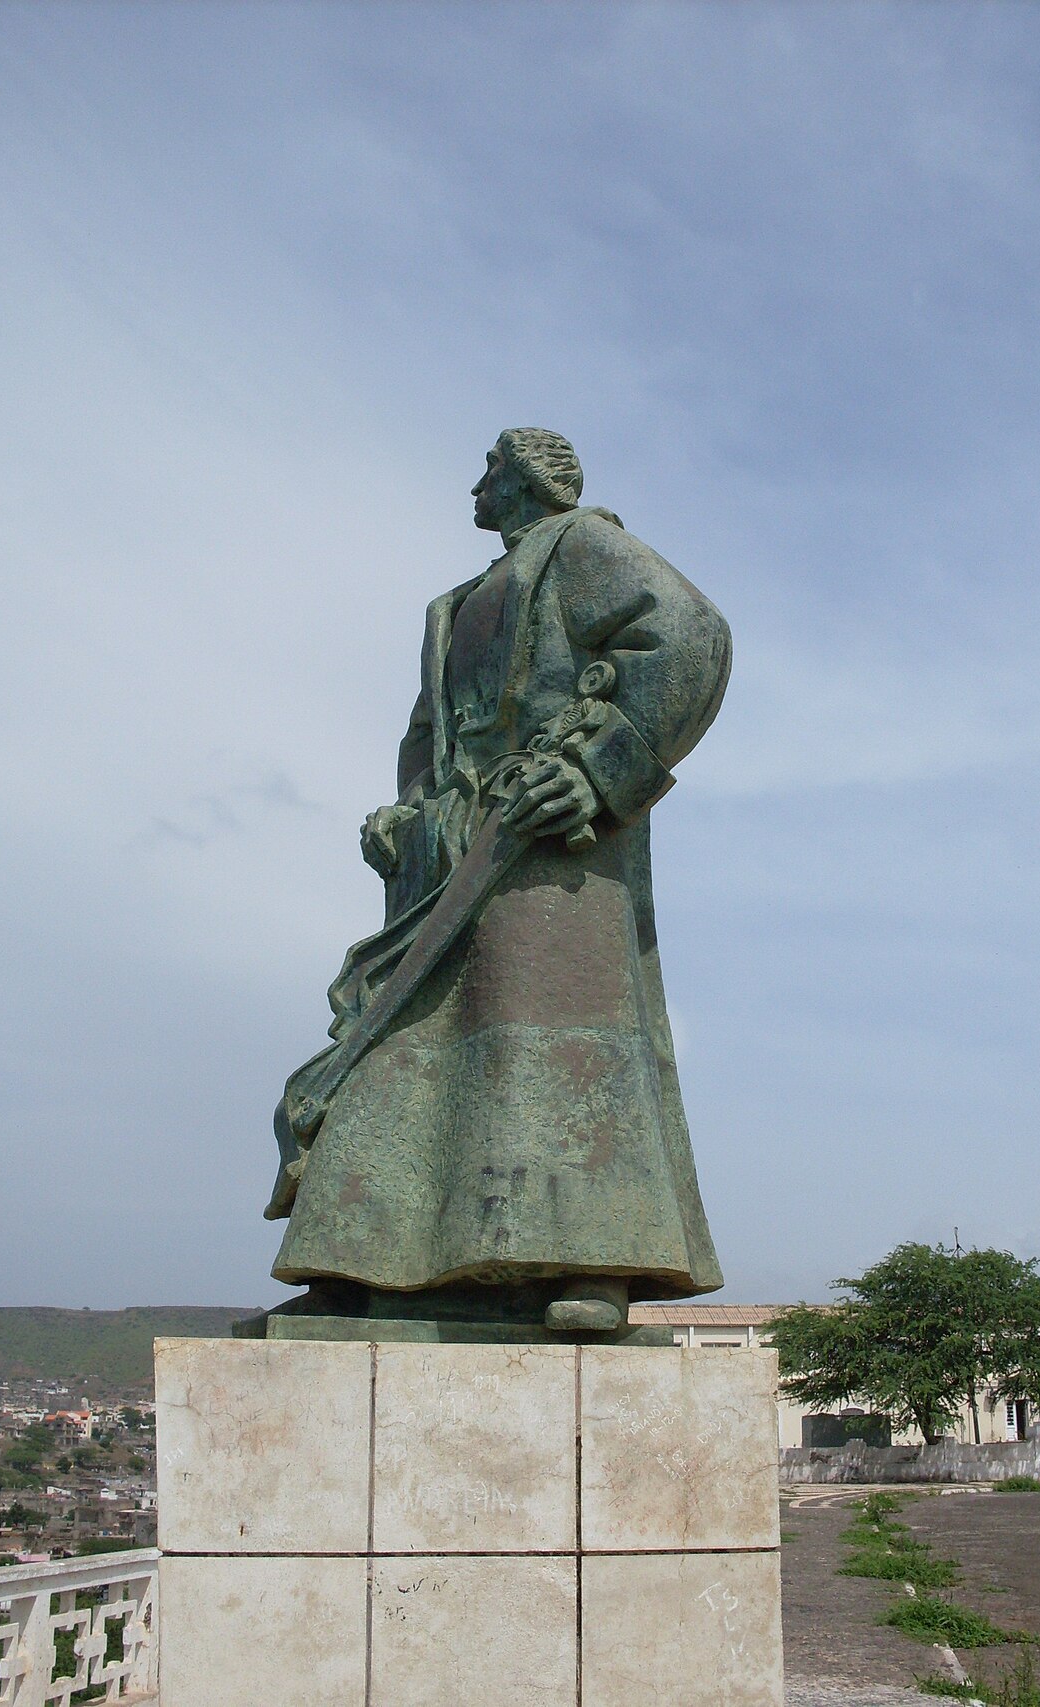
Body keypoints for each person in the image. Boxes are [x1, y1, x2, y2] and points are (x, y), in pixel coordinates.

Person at [266, 428, 730, 1333]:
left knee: (549, 1043)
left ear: (522, 479)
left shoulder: (586, 544)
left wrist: (605, 770)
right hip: (448, 849)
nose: (474, 483)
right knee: (400, 1036)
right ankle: (364, 1256)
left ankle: (590, 1262)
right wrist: (406, 811)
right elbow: (426, 734)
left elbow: (690, 635)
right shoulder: (451, 606)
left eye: (488, 467)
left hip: (552, 841)